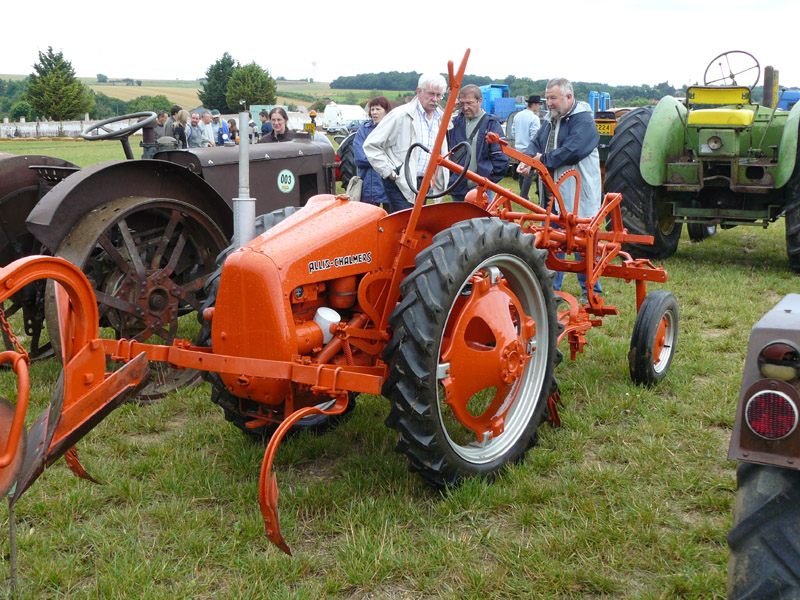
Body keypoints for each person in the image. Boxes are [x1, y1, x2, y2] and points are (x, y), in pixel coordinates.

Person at [517, 77, 602, 302]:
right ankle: (551, 290)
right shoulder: (551, 120)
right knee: (553, 242)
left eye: (553, 98)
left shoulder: (583, 121)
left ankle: (591, 291)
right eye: (547, 98)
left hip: (577, 193)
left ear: (569, 97)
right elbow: (536, 143)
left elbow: (571, 151)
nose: (549, 103)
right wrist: (526, 159)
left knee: (582, 241)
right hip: (555, 195)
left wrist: (541, 160)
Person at [363, 73, 449, 213]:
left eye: (439, 95)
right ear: (419, 91)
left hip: (424, 181)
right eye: (431, 94)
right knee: (404, 224)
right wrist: (390, 172)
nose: (435, 99)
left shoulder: (440, 118)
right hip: (401, 181)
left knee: (418, 223)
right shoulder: (400, 115)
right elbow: (371, 145)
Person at [446, 84, 508, 203]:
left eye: (469, 103)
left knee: (482, 221)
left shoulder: (491, 124)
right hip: (458, 188)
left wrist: (488, 181)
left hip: (481, 190)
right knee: (458, 221)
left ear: (480, 101)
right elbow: (438, 133)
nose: (465, 107)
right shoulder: (454, 123)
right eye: (462, 104)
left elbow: (501, 157)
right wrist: (451, 108)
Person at [353, 96, 391, 208]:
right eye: (372, 109)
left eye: (378, 109)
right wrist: (383, 160)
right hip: (368, 187)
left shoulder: (393, 128)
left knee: (392, 219)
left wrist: (374, 158)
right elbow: (360, 158)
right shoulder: (363, 130)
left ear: (386, 110)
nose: (374, 112)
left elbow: (397, 155)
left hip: (389, 185)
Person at [512, 95, 541, 200]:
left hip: (518, 148)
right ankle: (524, 196)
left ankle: (522, 193)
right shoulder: (534, 118)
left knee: (521, 171)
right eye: (539, 105)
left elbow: (513, 131)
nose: (539, 107)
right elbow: (535, 136)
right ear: (534, 105)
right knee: (529, 172)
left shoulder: (517, 115)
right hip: (529, 148)